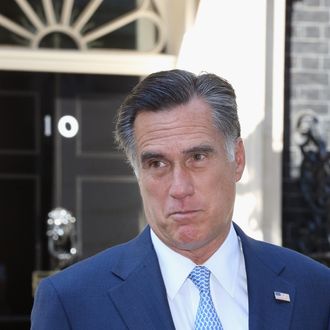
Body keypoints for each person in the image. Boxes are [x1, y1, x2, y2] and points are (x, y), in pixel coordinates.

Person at [31, 69, 330, 330]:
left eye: (197, 157)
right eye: (157, 164)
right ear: (138, 172)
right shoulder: (72, 301)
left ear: (237, 159)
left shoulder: (315, 290)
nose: (179, 187)